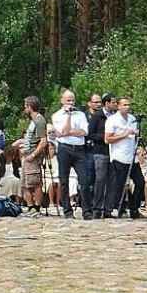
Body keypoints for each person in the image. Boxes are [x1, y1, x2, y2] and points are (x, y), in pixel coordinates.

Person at [50, 91, 90, 220]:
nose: (71, 103)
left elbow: (84, 132)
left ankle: (86, 211)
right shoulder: (57, 115)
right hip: (64, 149)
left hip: (79, 149)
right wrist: (68, 116)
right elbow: (62, 132)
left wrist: (68, 132)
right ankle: (67, 211)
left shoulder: (81, 115)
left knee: (84, 180)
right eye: (68, 100)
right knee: (64, 181)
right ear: (62, 101)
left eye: (72, 100)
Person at [101, 95, 137, 219]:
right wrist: (124, 135)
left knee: (140, 182)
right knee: (119, 184)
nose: (127, 107)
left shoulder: (132, 119)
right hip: (119, 156)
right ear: (118, 106)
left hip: (132, 156)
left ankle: (134, 207)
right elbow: (107, 139)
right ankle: (118, 208)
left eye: (129, 105)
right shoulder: (112, 120)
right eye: (124, 105)